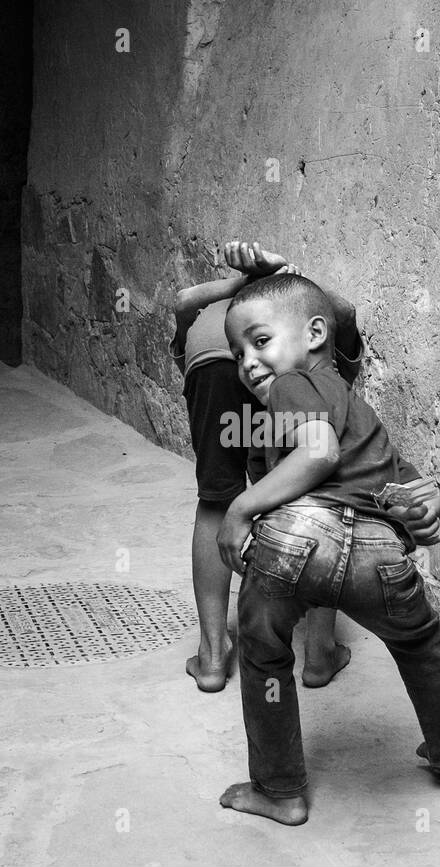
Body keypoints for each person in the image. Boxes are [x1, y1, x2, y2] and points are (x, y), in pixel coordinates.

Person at [216, 272, 440, 825]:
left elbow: (318, 454)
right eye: (238, 352)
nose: (248, 363)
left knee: (262, 648)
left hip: (297, 541)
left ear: (314, 334)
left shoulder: (291, 386)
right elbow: (399, 486)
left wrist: (239, 509)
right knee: (421, 643)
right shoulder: (362, 412)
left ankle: (280, 788)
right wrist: (426, 504)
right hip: (379, 555)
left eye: (259, 341)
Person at [171, 241, 361, 692]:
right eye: (244, 351)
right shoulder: (318, 346)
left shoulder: (209, 321)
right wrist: (285, 273)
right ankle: (318, 654)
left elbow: (181, 302)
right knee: (319, 492)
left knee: (216, 498)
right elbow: (346, 312)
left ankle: (213, 656)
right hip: (278, 340)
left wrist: (240, 284)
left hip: (208, 366)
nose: (251, 365)